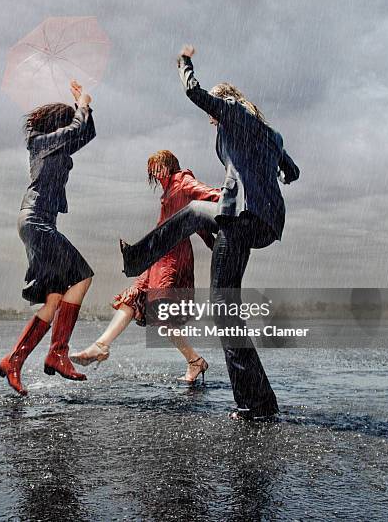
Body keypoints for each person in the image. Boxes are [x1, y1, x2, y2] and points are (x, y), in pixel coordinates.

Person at [121, 46, 300, 420]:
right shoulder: (271, 135)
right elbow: (291, 169)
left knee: (223, 310)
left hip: (240, 215)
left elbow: (194, 92)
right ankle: (260, 401)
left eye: (214, 112)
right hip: (264, 222)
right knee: (197, 221)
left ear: (226, 102)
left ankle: (254, 404)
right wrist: (279, 170)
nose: (211, 120)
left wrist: (184, 62)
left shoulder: (232, 113)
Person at [71, 150, 221, 383]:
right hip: (159, 255)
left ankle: (195, 361)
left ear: (170, 165)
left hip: (175, 256)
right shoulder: (168, 190)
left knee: (160, 309)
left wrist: (228, 203)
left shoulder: (183, 181)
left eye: (158, 166)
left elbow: (208, 197)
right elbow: (196, 221)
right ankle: (101, 346)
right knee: (133, 298)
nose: (154, 171)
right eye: (151, 168)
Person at [0, 80, 96, 395]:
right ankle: (58, 353)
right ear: (59, 124)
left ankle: (14, 360)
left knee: (54, 299)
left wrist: (84, 106)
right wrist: (82, 103)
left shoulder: (50, 143)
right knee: (82, 278)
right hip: (38, 222)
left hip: (38, 222)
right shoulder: (43, 142)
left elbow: (86, 133)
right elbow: (78, 130)